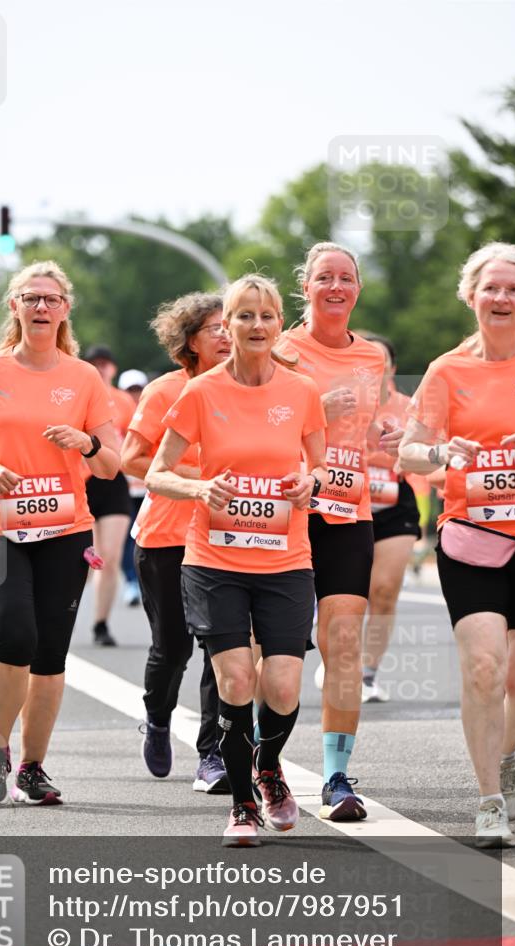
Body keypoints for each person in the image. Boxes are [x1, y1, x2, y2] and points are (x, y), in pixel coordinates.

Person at [147, 275, 327, 846]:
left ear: (279, 324)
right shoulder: (199, 393)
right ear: (226, 325)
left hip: (285, 558)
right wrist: (199, 489)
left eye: (266, 315)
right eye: (243, 316)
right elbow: (156, 472)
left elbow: (320, 469)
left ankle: (268, 766)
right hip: (213, 559)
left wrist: (311, 483)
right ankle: (243, 805)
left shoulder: (302, 392)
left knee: (282, 686)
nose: (255, 326)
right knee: (235, 676)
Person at [0, 261, 120, 807]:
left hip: (65, 528)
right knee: (14, 637)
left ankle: (33, 767)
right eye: (30, 298)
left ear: (65, 310)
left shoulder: (84, 378)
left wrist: (86, 443)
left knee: (49, 654)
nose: (41, 307)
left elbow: (113, 463)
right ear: (14, 308)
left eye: (51, 299)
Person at [400, 241, 515, 848]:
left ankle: (507, 758)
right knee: (483, 668)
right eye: (491, 287)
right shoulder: (448, 370)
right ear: (470, 296)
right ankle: (489, 800)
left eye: (513, 288)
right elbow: (408, 451)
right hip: (473, 537)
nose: (501, 297)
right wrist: (445, 453)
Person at [277, 242, 401, 821]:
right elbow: (260, 424)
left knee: (343, 644)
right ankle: (265, 763)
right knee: (276, 654)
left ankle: (335, 777)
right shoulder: (280, 348)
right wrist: (317, 407)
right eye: (324, 277)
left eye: (345, 278)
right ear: (306, 287)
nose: (335, 287)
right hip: (284, 509)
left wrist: (389, 436)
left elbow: (367, 429)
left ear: (357, 289)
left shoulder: (372, 356)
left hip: (349, 510)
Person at [121, 292, 231, 791]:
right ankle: (159, 719)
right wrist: (195, 478)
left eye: (233, 325)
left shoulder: (249, 389)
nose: (228, 335)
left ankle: (213, 755)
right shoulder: (165, 391)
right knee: (173, 647)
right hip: (166, 536)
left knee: (222, 649)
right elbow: (131, 459)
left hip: (228, 538)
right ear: (189, 341)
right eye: (216, 328)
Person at [359, 333, 422, 703]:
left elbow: (416, 455)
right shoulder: (346, 404)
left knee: (383, 591)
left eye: (381, 361)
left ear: (392, 368)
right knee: (349, 595)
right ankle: (339, 658)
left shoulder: (408, 407)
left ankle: (368, 674)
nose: (375, 368)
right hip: (347, 503)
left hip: (395, 503)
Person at [83, 345, 137, 644]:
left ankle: (101, 624)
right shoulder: (76, 395)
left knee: (110, 557)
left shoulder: (123, 401)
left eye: (105, 363)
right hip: (82, 481)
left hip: (114, 479)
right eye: (95, 363)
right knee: (82, 558)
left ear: (113, 369)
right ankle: (61, 613)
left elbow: (132, 439)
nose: (100, 368)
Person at [118, 368, 149, 606]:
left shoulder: (152, 410)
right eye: (130, 390)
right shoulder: (116, 412)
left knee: (144, 537)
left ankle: (143, 580)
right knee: (127, 538)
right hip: (124, 488)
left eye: (138, 389)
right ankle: (131, 581)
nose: (134, 395)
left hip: (148, 487)